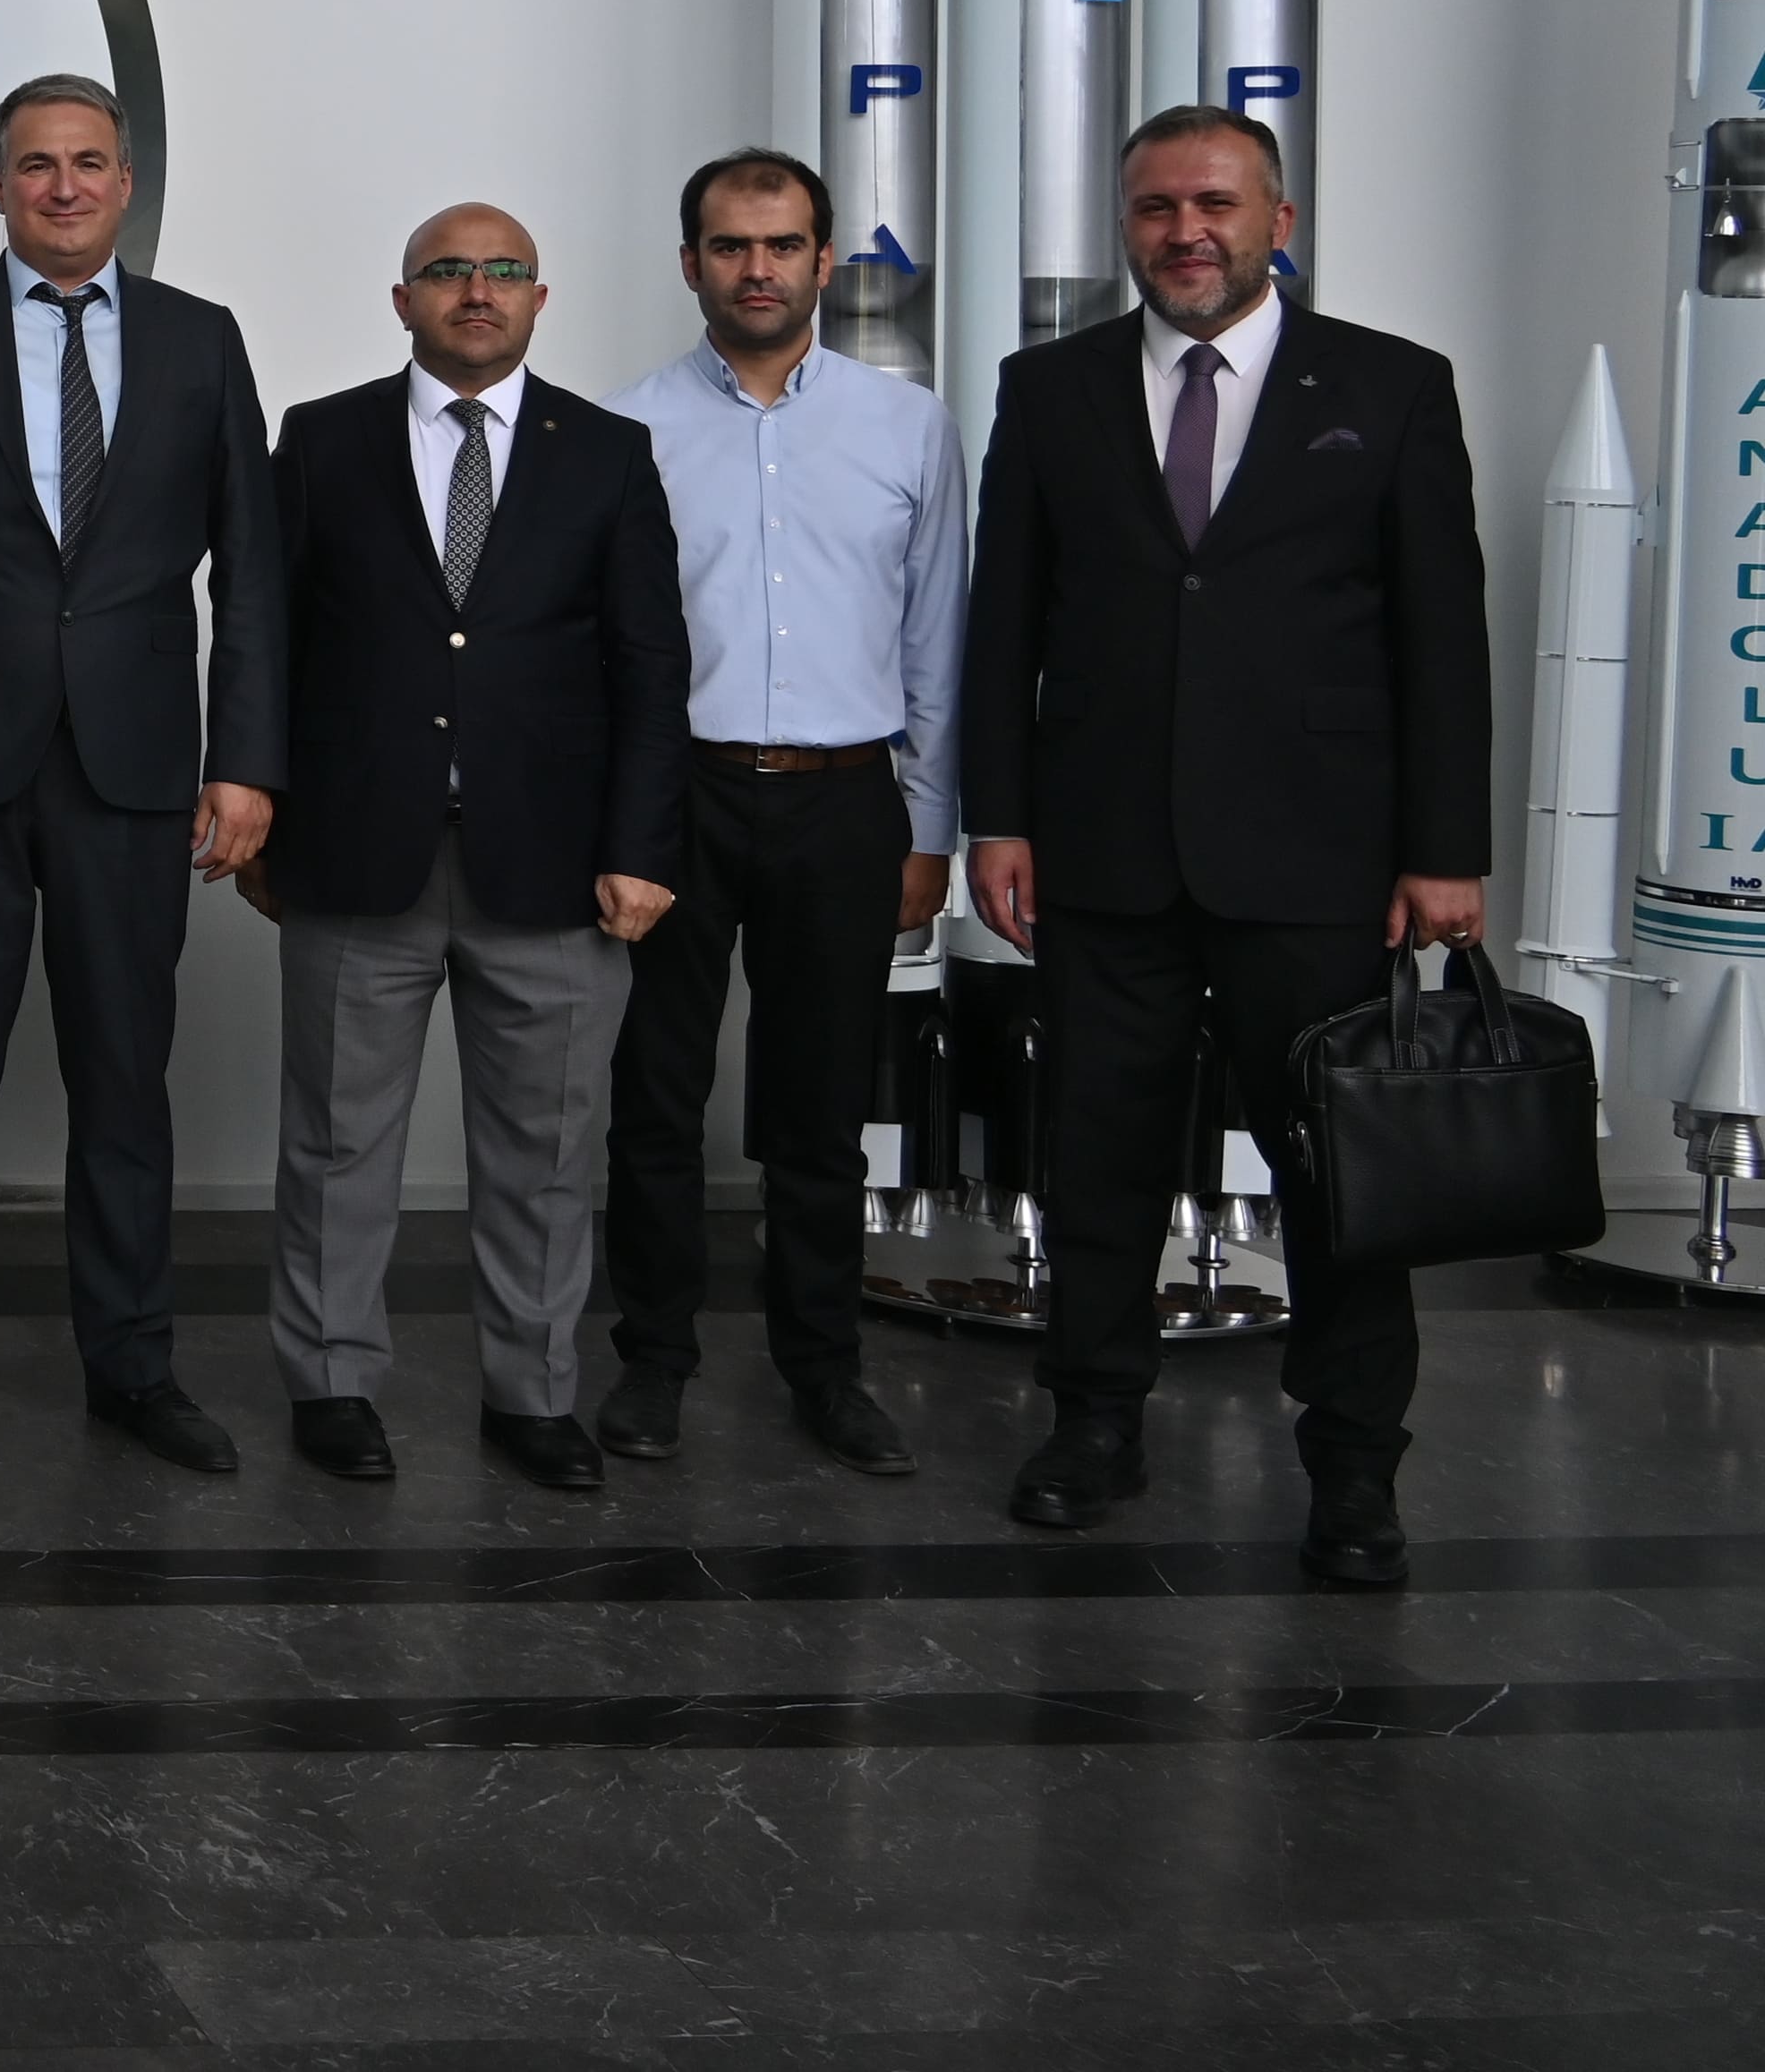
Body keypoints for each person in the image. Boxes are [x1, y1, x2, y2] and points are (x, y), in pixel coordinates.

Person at [962, 107, 1491, 1586]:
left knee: (1340, 1173)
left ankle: (1354, 1466)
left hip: (1321, 856)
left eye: (1214, 204)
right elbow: (1004, 619)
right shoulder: (1049, 387)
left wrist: (1445, 847)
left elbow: (1442, 634)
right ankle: (1094, 1424)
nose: (1184, 232)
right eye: (1154, 208)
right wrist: (998, 814)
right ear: (1124, 224)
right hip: (1101, 849)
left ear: (1279, 220)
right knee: (1099, 1155)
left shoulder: (1392, 386)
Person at [0, 74, 284, 1479]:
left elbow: (252, 572)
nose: (66, 187)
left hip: (133, 766)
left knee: (125, 1084)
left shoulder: (202, 340)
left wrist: (246, 761)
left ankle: (133, 1369)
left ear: (127, 182)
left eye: (90, 162)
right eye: (37, 165)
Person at [249, 204, 685, 1490]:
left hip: (557, 868)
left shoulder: (607, 453)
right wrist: (262, 803)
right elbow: (267, 638)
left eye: (503, 272)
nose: (476, 291)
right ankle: (331, 1383)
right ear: (404, 300)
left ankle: (533, 1396)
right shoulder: (321, 440)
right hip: (357, 854)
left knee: (546, 1157)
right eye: (448, 271)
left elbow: (650, 664)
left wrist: (644, 842)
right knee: (336, 1146)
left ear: (539, 300)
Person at [597, 149, 964, 1478]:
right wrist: (617, 830)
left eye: (783, 244)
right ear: (690, 263)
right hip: (677, 801)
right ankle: (654, 1360)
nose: (758, 269)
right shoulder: (623, 428)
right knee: (656, 1095)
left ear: (823, 260)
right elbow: (600, 651)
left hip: (847, 801)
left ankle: (826, 1369)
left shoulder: (907, 425)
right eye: (731, 246)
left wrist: (932, 826)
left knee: (821, 1107)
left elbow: (937, 635)